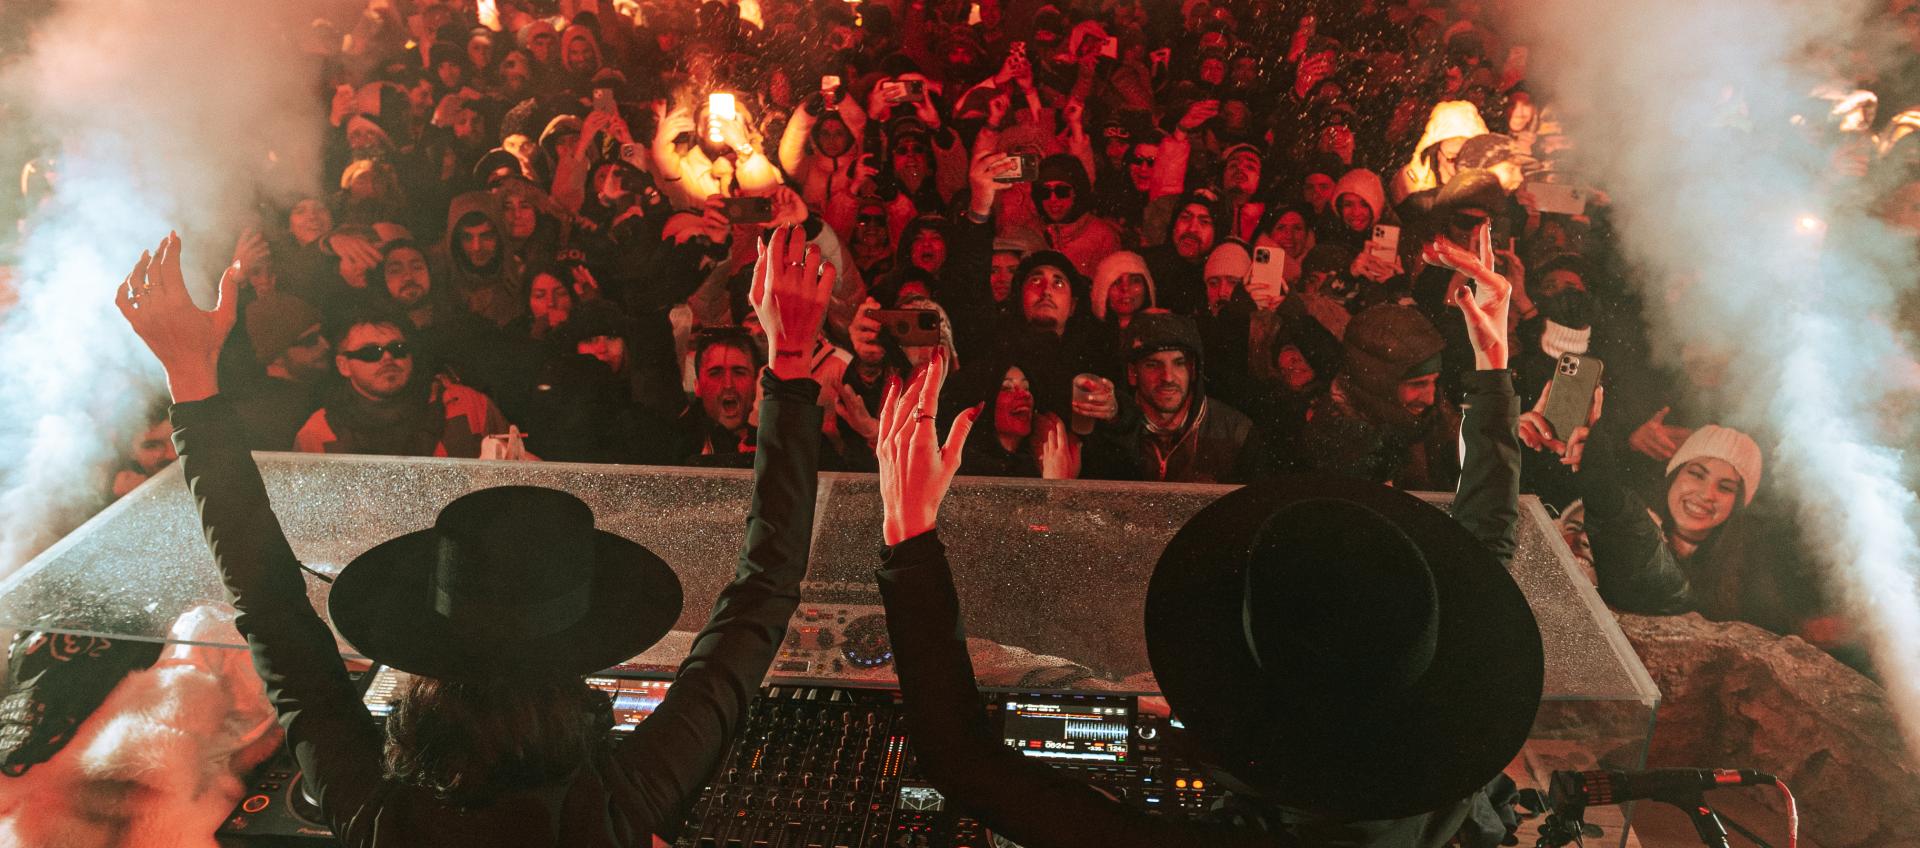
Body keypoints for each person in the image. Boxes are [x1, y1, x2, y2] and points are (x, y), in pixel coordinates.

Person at [113, 226, 835, 846]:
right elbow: (765, 589)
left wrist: (191, 378)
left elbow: (268, 604)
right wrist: (792, 364)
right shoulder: (619, 804)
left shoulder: (381, 812)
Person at [867, 233, 1539, 847]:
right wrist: (1493, 370)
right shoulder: (1446, 787)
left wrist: (911, 529)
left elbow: (963, 762)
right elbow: (1486, 546)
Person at [293, 310, 516, 457]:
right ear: (343, 366)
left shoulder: (467, 405)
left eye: (397, 349)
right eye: (371, 352)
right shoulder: (318, 434)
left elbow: (517, 470)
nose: (387, 358)